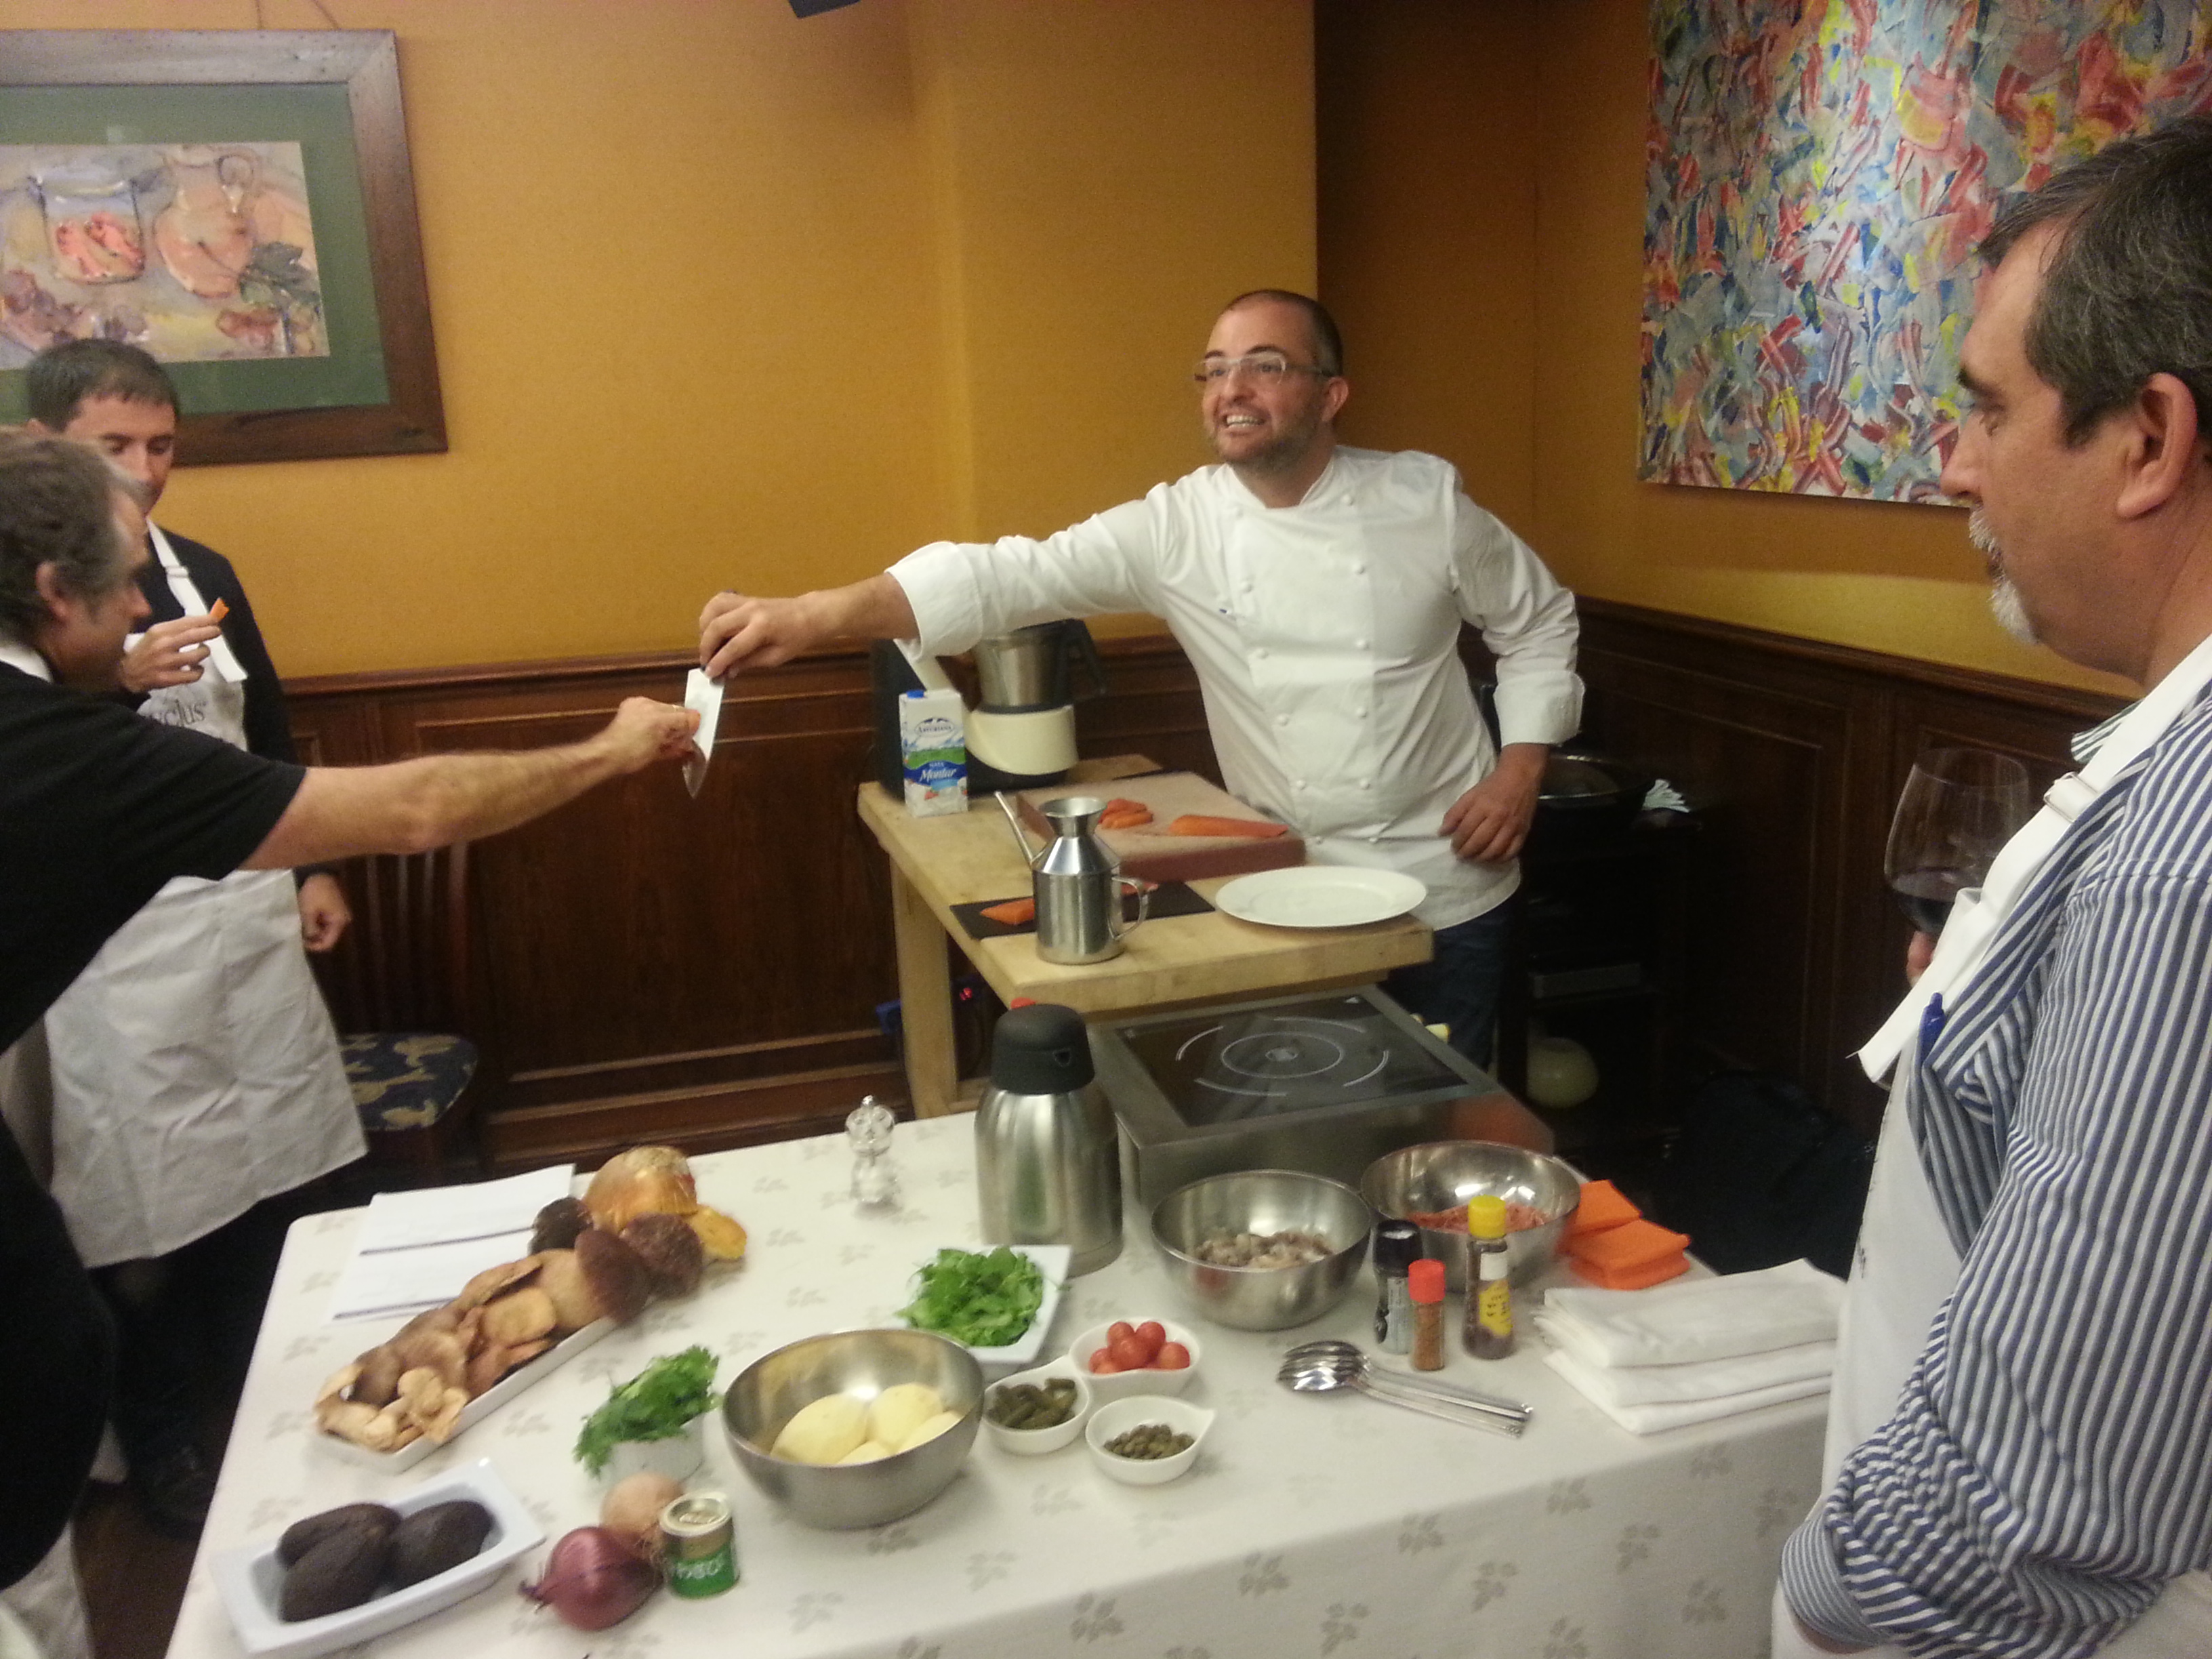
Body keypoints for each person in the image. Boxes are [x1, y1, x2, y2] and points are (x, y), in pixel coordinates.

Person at [0, 426, 697, 1600]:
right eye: (121, 585)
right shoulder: (56, 747)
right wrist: (611, 748)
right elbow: (417, 808)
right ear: (53, 591)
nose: (141, 607)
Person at [699, 290, 1583, 1063]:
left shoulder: (1426, 504)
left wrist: (1520, 769)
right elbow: (1007, 574)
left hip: (1445, 870)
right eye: (1214, 370)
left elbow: (1538, 620)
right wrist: (814, 613)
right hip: (1284, 878)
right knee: (1302, 1105)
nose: (1232, 389)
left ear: (1331, 394)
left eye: (1265, 365)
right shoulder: (1176, 528)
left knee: (1439, 1114)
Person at [1776, 117, 2212, 1659]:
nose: (1953, 464)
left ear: (2149, 442)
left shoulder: (2185, 860)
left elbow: (2033, 1502)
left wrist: (1825, 1599)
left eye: (1986, 408)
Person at [18, 340, 354, 1539]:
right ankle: (163, 1432)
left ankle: (282, 1392)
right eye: (115, 445)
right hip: (121, 942)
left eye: (162, 444)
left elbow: (269, 726)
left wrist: (311, 864)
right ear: (49, 445)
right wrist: (114, 677)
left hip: (243, 915)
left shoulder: (201, 570)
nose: (148, 469)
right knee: (143, 1193)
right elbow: (33, 755)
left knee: (275, 1158)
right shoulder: (28, 600)